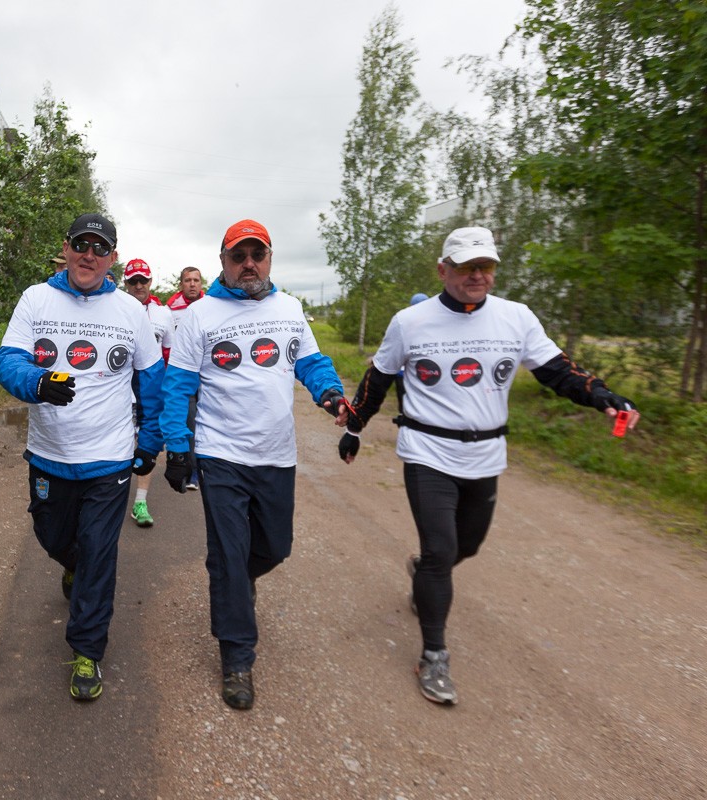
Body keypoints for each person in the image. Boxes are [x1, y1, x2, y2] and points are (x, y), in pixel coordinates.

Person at [339, 225, 639, 706]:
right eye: (465, 266)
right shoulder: (410, 321)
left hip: (485, 455)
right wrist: (354, 428)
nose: (477, 275)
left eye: (486, 266)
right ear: (443, 270)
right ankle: (435, 655)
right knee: (440, 551)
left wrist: (603, 396)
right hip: (427, 452)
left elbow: (558, 371)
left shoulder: (516, 318)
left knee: (466, 547)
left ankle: (425, 574)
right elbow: (378, 378)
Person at [161, 219, 348, 711]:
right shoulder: (199, 316)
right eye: (238, 256)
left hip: (276, 454)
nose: (249, 265)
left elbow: (309, 362)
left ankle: (235, 583)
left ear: (269, 258)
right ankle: (237, 656)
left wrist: (329, 394)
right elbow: (177, 386)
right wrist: (178, 448)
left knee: (273, 548)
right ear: (223, 261)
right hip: (221, 454)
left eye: (257, 255)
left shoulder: (290, 308)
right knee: (228, 555)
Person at [0, 213, 165, 701]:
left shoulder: (131, 312)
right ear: (66, 248)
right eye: (81, 245)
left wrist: (149, 441)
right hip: (49, 456)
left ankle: (88, 649)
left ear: (112, 257)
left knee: (98, 553)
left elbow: (151, 382)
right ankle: (69, 565)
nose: (89, 255)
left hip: (109, 460)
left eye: (100, 248)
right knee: (53, 538)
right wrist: (39, 382)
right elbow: (7, 361)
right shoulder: (36, 299)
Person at [121, 258, 174, 528]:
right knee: (118, 447)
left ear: (150, 281)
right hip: (118, 393)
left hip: (149, 393)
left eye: (143, 280)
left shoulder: (163, 314)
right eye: (133, 281)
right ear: (126, 283)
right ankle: (112, 497)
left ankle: (140, 501)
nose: (139, 285)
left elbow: (169, 353)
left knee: (148, 445)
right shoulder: (116, 308)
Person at [166, 266, 205, 489]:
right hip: (184, 376)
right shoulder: (170, 309)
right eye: (188, 280)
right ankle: (192, 473)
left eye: (196, 280)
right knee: (190, 420)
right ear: (181, 284)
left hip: (208, 376)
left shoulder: (210, 307)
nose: (192, 284)